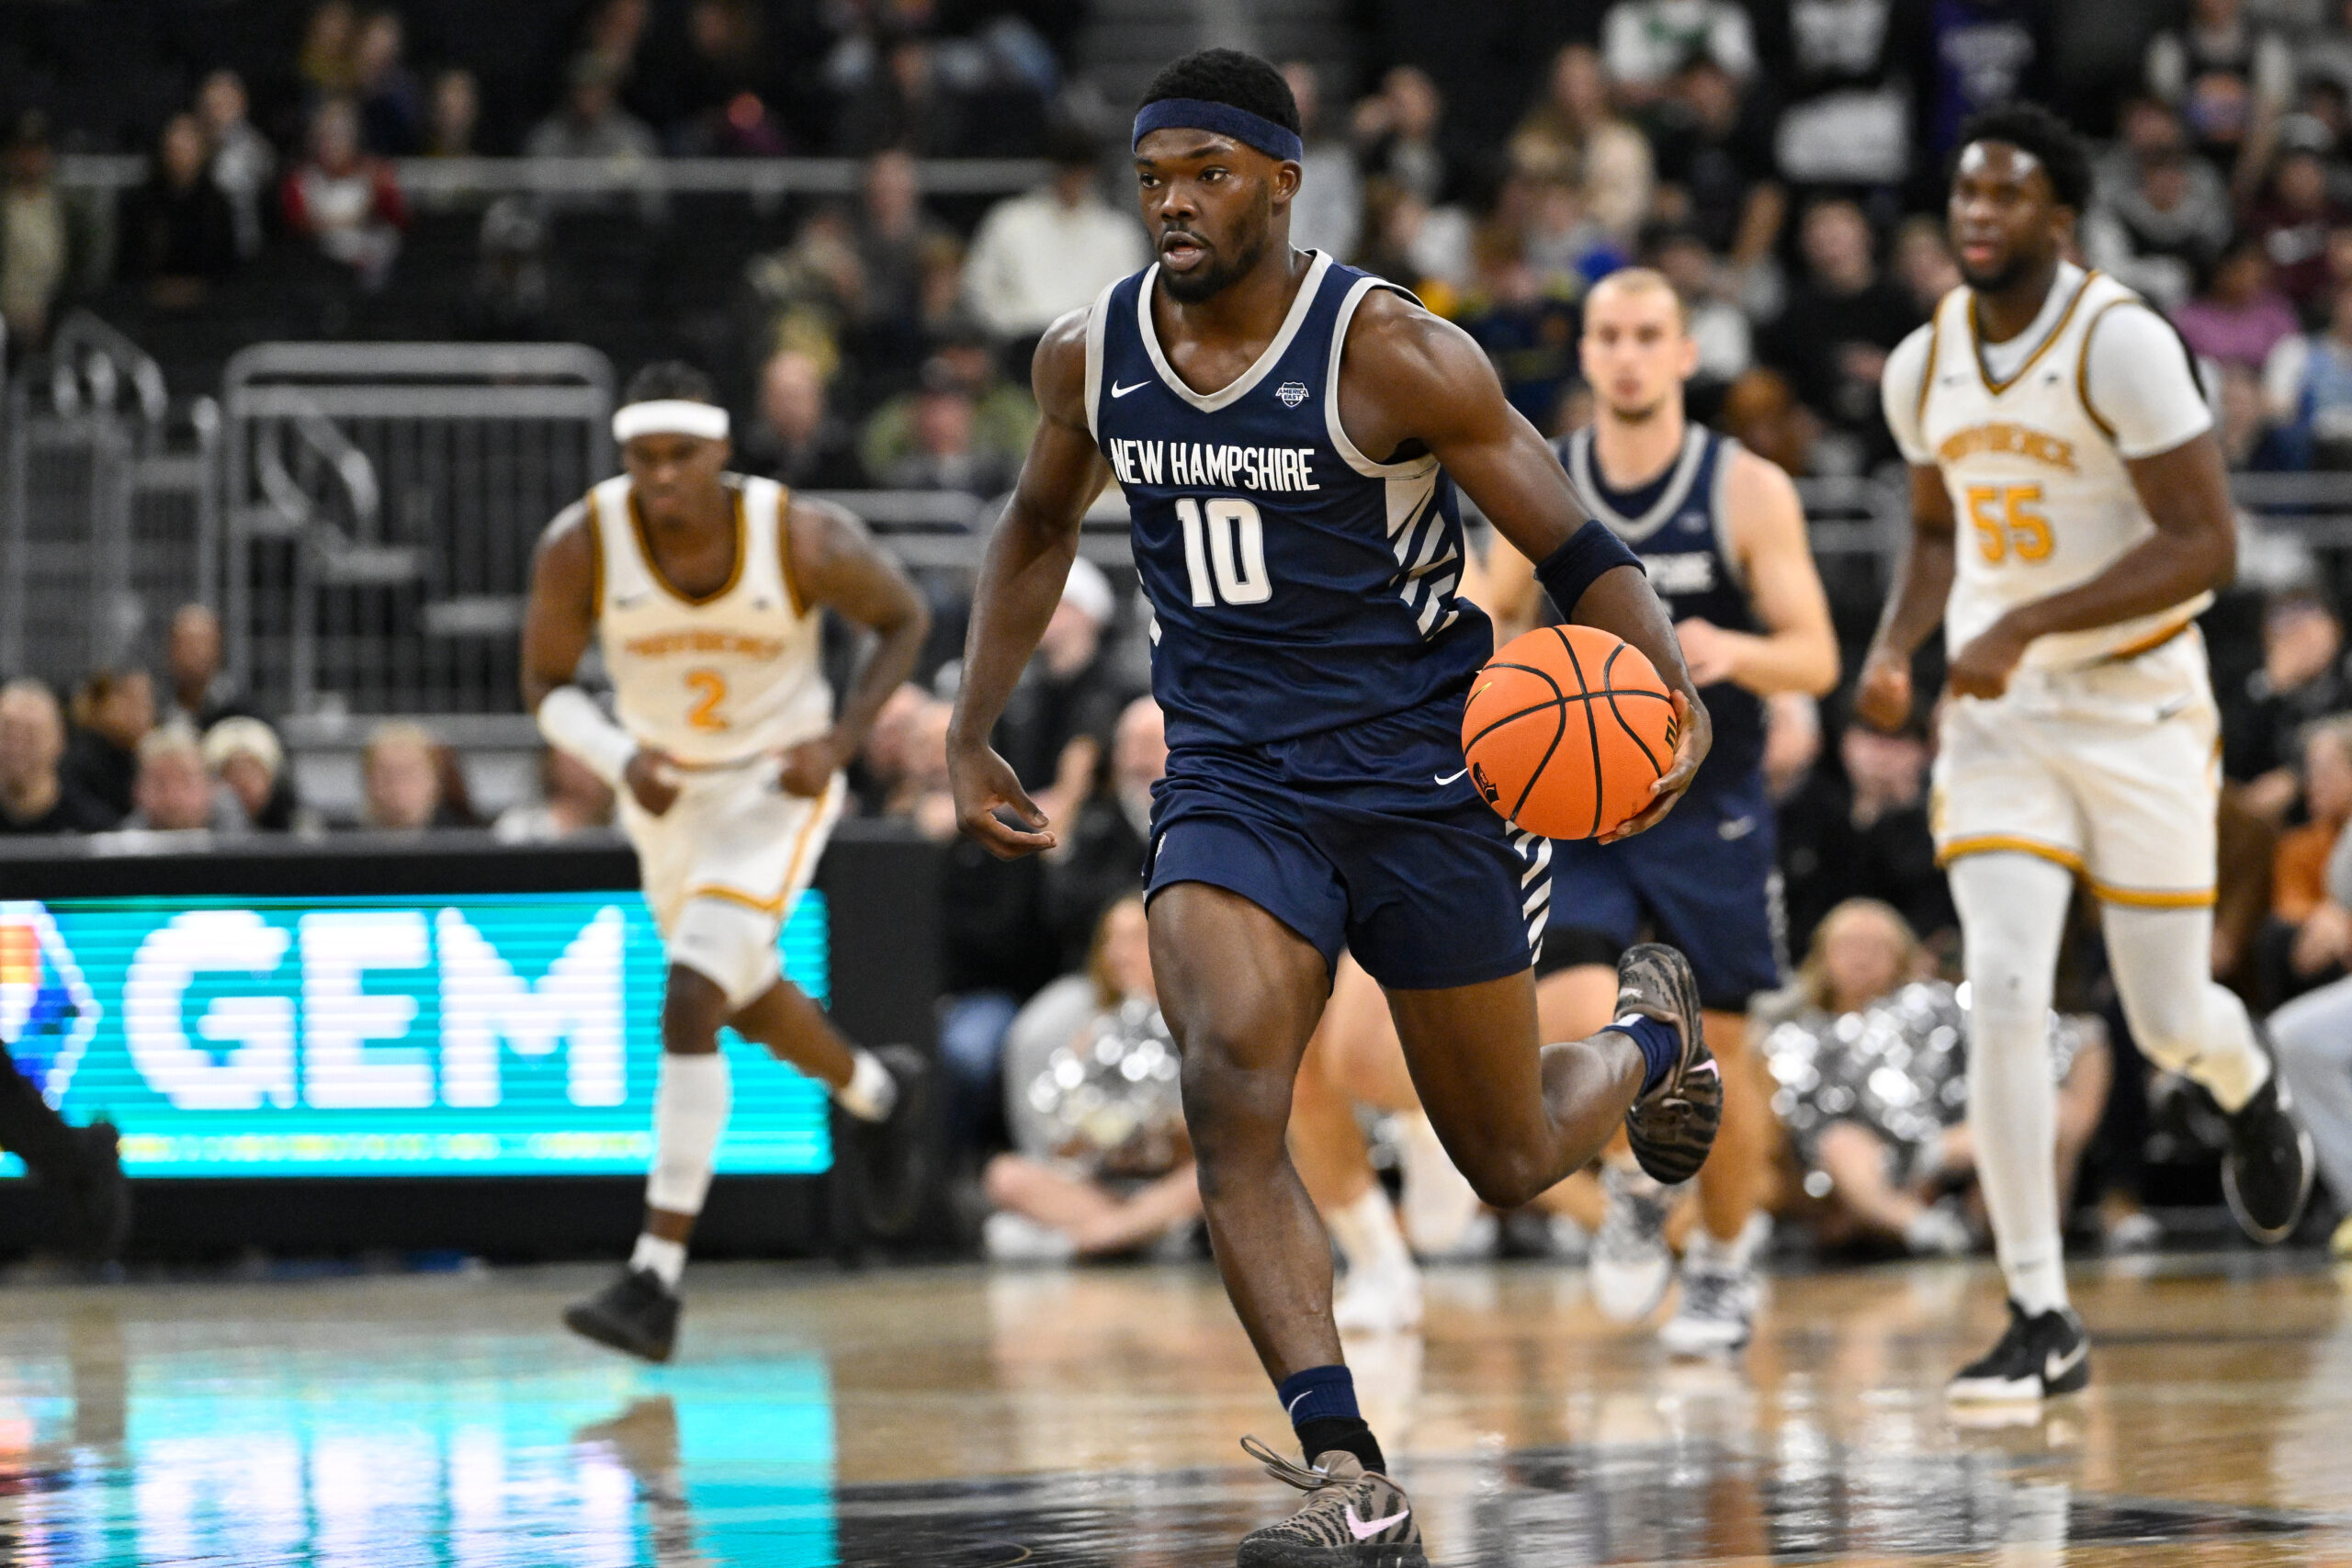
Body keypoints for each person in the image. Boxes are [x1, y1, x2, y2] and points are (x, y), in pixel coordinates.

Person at [944, 51, 1719, 1563]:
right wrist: (973, 727)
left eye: (1209, 173)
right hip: (1236, 775)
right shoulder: (1087, 353)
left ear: (1285, 184)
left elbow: (1577, 543)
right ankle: (1346, 1464)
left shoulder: (1395, 354)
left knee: (1501, 1150)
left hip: (1432, 780)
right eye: (1153, 173)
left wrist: (1666, 684)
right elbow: (1036, 524)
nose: (1172, 200)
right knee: (1230, 1077)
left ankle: (1651, 1038)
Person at [1860, 104, 2313, 1404]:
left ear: (2062, 216)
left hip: (2137, 707)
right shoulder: (1923, 362)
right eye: (1963, 197)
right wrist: (1902, 643)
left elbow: (2204, 542)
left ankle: (2247, 1081)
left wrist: (2027, 623)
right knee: (2000, 990)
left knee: (2170, 1016)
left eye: (2005, 196)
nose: (1977, 218)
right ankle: (2038, 1308)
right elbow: (1937, 535)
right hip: (2002, 722)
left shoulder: (2123, 344)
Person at [522, 361, 934, 1362]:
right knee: (738, 993)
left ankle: (653, 1279)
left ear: (720, 454)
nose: (660, 478)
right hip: (663, 790)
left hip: (771, 787)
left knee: (691, 992)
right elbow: (545, 685)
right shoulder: (582, 542)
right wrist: (621, 758)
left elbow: (903, 619)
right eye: (642, 458)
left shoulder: (800, 535)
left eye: (680, 458)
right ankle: (881, 1095)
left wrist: (837, 745)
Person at [1513, 265, 1838, 1355]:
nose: (1628, 354)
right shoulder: (1541, 476)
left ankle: (1724, 1261)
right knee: (1561, 1019)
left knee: (1729, 1054)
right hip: (1581, 803)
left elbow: (1818, 654)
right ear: (1586, 352)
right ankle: (1636, 1185)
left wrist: (1737, 649)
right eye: (1609, 335)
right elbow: (1486, 609)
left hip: (1711, 807)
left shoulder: (1744, 487)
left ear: (1686, 354)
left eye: (1650, 334)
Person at [983, 896, 1203, 1261]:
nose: (1120, 953)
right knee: (1004, 1175)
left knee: (1217, 1175)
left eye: (1135, 938)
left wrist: (1165, 1135)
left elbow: (1224, 1138)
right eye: (1110, 940)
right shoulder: (1082, 1024)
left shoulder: (1198, 1020)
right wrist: (1091, 1134)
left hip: (1174, 1183)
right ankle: (1142, 1236)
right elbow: (1056, 1144)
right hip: (1103, 1188)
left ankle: (1097, 1239)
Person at [960, 123, 1149, 346]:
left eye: (1080, 171)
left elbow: (1129, 303)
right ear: (1053, 169)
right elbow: (979, 287)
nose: (1072, 180)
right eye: (1066, 170)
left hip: (1091, 351)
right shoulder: (1010, 221)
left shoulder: (1119, 233)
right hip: (1020, 345)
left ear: (1092, 173)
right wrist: (1013, 327)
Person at [0, 680, 113, 835]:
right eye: (7, 734)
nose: (17, 747)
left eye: (31, 736)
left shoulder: (94, 832)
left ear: (59, 740)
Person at [493, 745, 617, 842]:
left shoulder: (627, 826)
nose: (591, 764)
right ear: (553, 760)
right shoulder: (519, 828)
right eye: (578, 754)